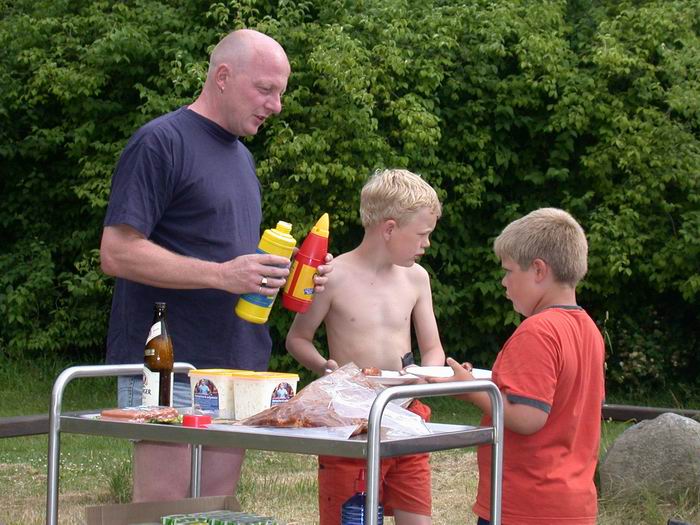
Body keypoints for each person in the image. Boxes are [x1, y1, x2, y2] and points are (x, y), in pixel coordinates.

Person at [100, 28, 331, 502]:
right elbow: (117, 252)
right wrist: (223, 275)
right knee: (163, 510)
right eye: (265, 89)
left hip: (235, 367)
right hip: (169, 366)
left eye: (281, 94)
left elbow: (227, 255)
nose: (276, 106)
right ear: (223, 76)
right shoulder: (160, 142)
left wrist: (287, 273)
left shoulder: (242, 157)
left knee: (214, 511)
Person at [286, 168, 446, 525]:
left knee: (417, 518)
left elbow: (433, 348)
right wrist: (325, 366)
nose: (427, 243)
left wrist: (425, 374)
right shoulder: (333, 276)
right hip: (351, 422)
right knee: (351, 517)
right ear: (389, 229)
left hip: (406, 415)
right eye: (422, 234)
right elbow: (297, 339)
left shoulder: (417, 279)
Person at [431, 207, 605, 525]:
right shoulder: (588, 329)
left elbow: (527, 417)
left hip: (525, 504)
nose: (503, 282)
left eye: (509, 271)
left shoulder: (538, 330)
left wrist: (471, 390)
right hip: (571, 504)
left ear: (538, 270)